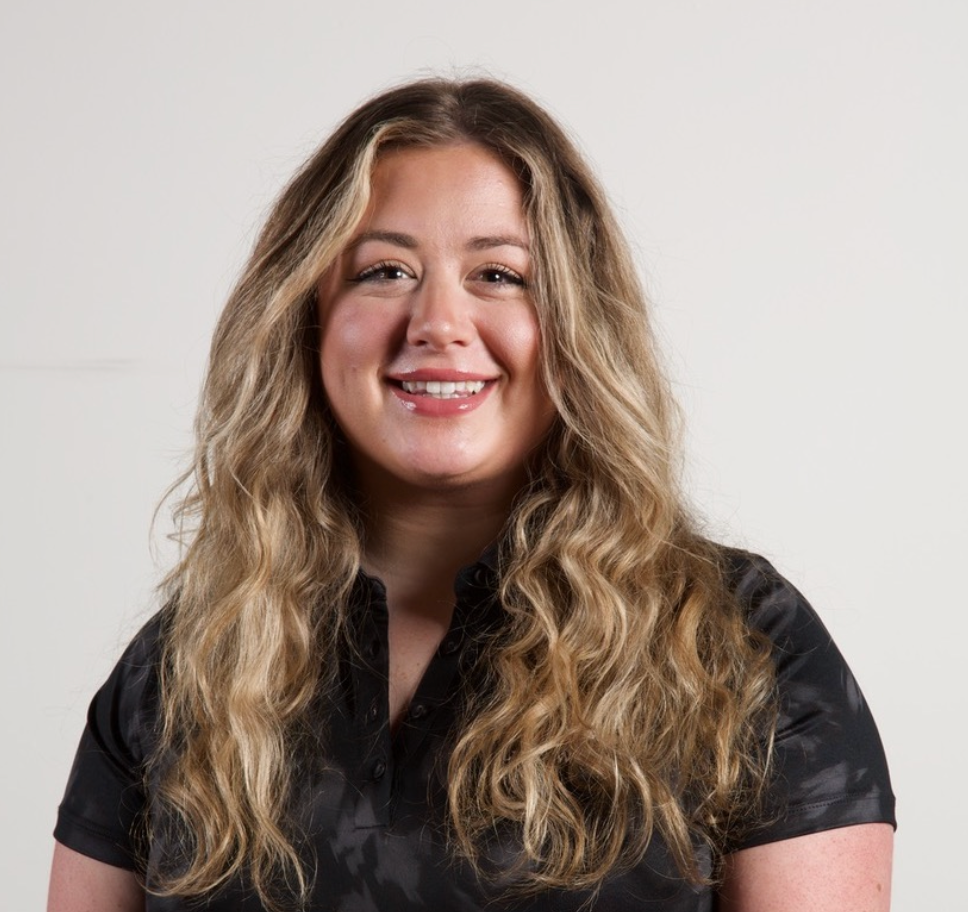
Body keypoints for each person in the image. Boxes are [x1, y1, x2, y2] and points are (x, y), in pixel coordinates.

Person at [47, 77, 895, 912]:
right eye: (384, 270)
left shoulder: (742, 646)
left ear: (579, 324)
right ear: (306, 315)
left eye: (499, 274)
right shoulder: (184, 668)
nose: (438, 324)